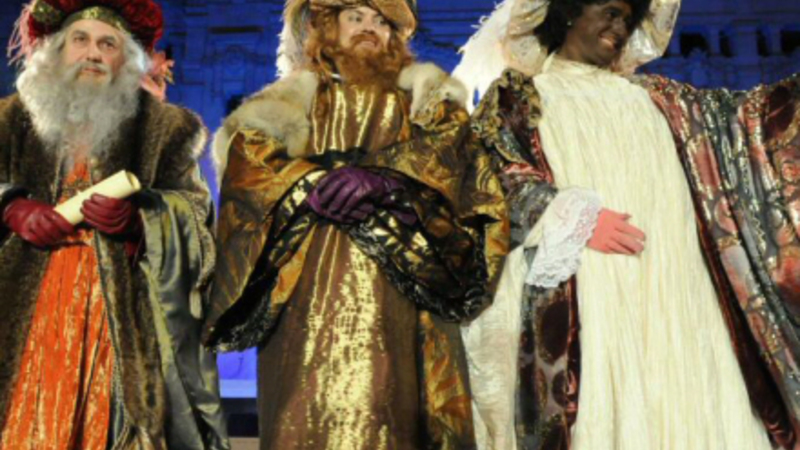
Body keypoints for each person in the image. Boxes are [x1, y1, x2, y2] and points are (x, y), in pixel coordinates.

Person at [455, 0, 800, 449]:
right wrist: (570, 216)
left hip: (677, 287)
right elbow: (494, 173)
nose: (619, 27)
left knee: (688, 394)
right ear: (569, 11)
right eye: (610, 11)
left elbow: (749, 122)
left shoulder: (662, 99)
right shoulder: (521, 95)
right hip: (595, 284)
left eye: (627, 18)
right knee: (611, 394)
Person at [203, 0, 508, 448]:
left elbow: (458, 171)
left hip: (401, 301)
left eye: (381, 21)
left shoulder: (428, 107)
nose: (369, 28)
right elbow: (250, 175)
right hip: (303, 299)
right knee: (302, 415)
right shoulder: (282, 106)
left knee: (391, 410)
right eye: (356, 16)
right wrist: (311, 185)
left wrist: (385, 181)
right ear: (328, 25)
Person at [0, 1, 228, 448]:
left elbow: (196, 217)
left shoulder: (167, 129)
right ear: (56, 50)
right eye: (80, 40)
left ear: (127, 60)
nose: (93, 53)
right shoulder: (8, 121)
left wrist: (143, 222)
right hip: (23, 310)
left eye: (108, 44)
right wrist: (11, 207)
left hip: (121, 319)